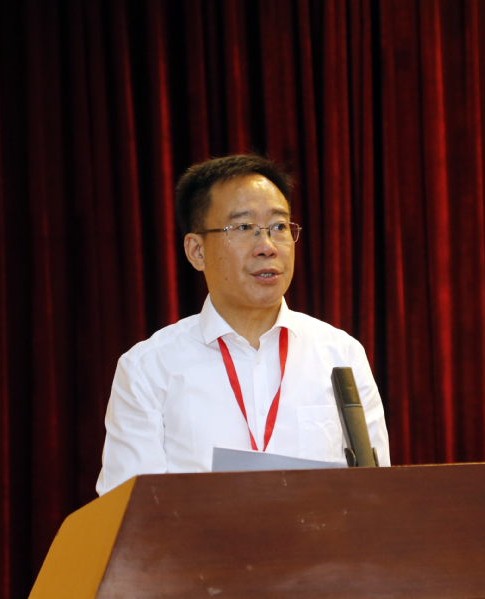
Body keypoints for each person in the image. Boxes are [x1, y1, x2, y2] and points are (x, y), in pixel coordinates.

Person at [96, 154, 390, 495]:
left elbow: (378, 495)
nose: (267, 247)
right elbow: (127, 512)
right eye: (244, 228)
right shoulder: (148, 369)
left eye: (279, 227)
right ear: (196, 251)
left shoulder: (341, 355)